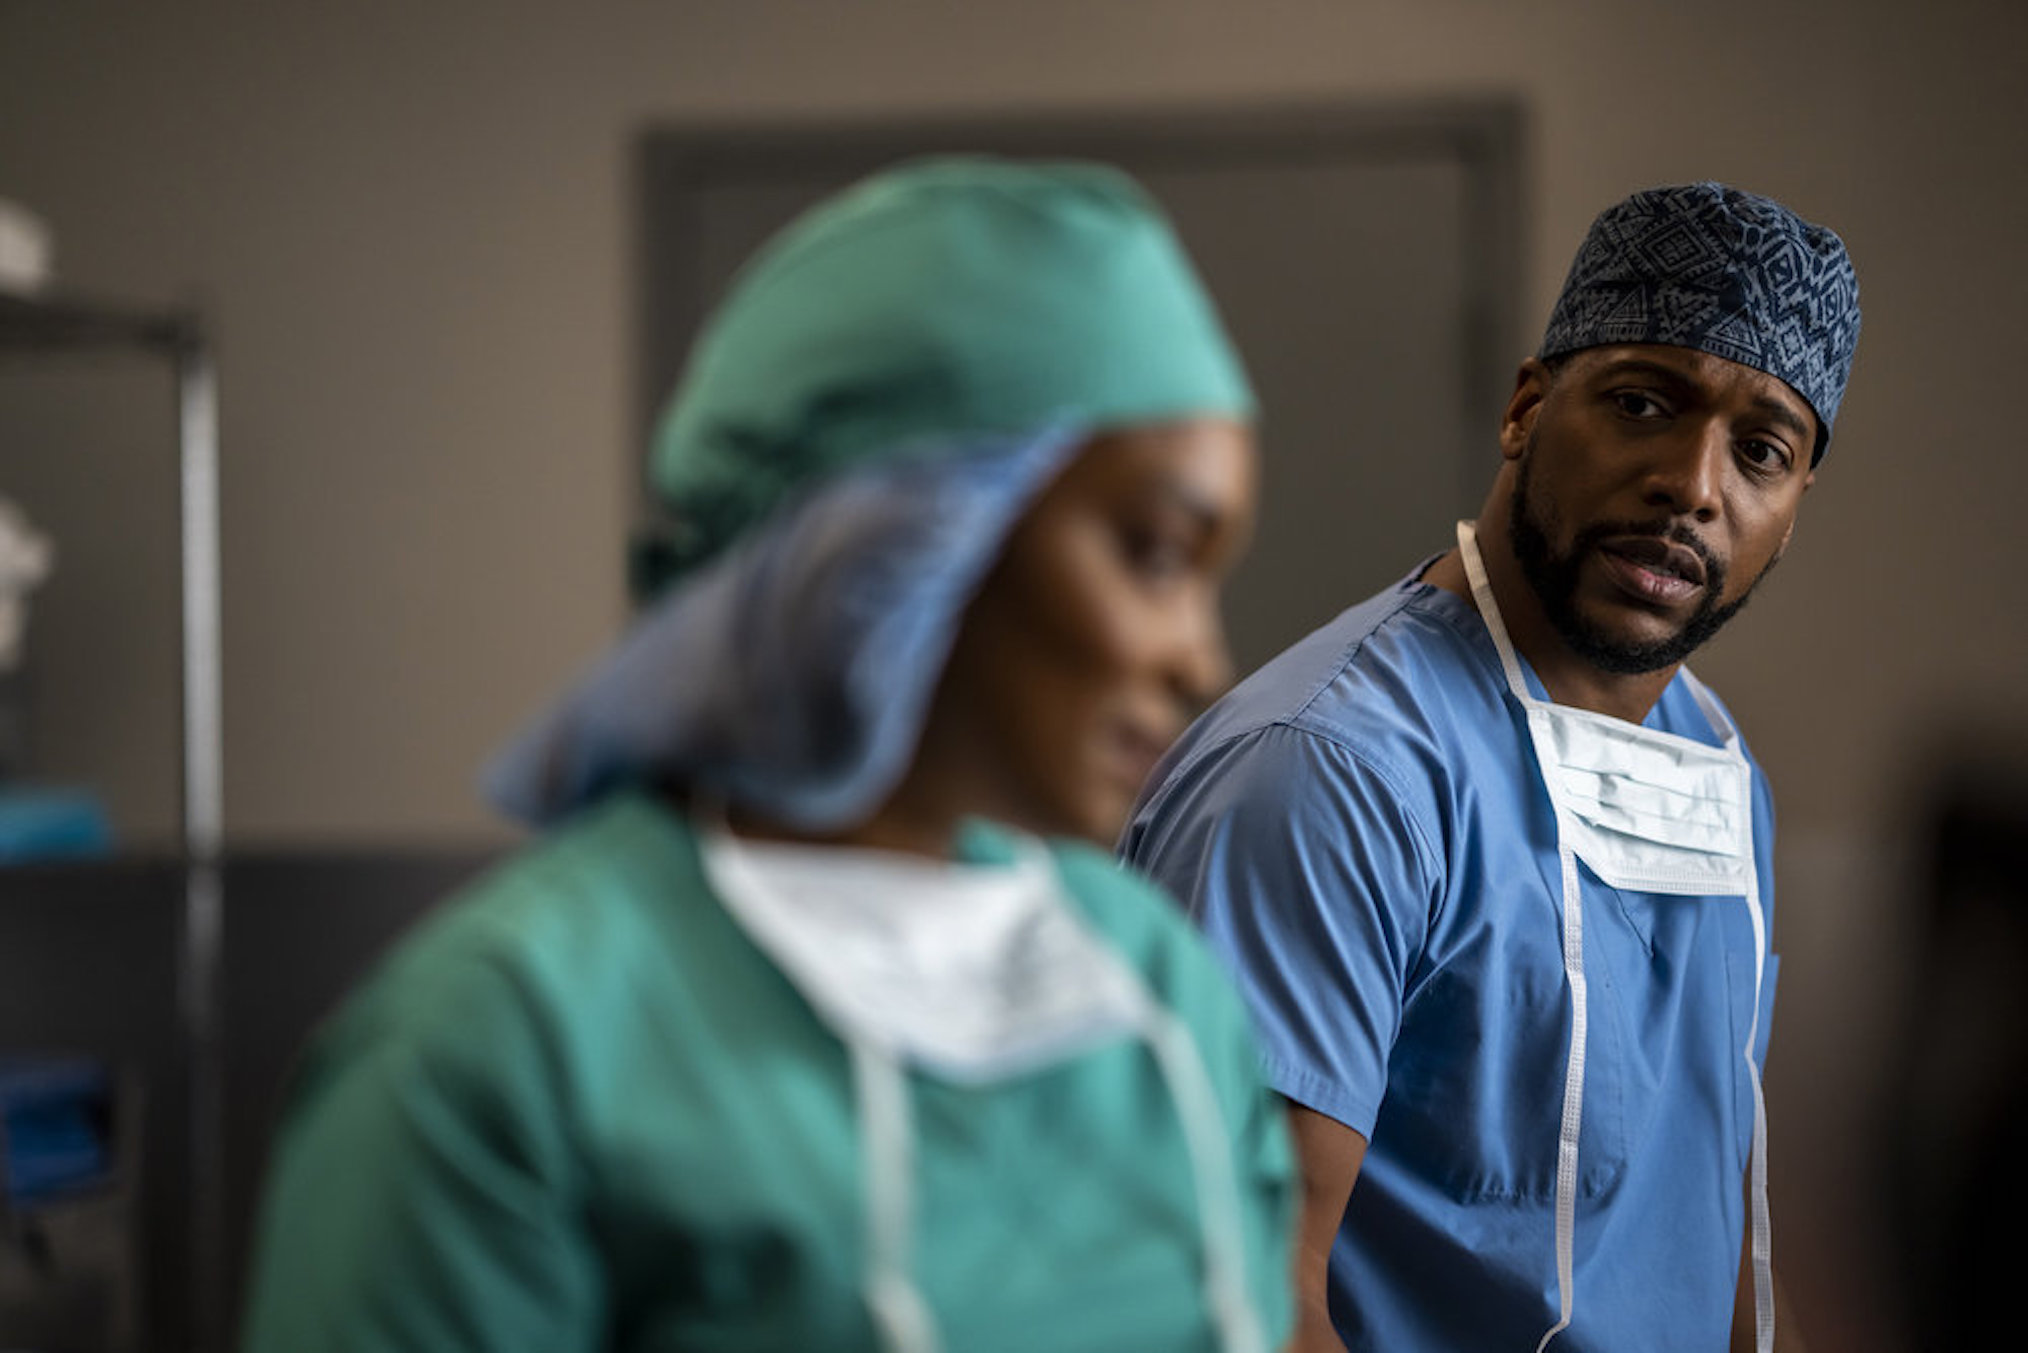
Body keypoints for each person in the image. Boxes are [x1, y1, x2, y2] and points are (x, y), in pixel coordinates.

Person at [238, 158, 1296, 1353]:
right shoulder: (502, 1051)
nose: (1203, 663)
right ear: (906, 534)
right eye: (1157, 555)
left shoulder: (1153, 979)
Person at [1123, 182, 1860, 1352]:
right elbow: (1237, 1293)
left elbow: (1705, 1222)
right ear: (1525, 407)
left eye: (1761, 450)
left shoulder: (1716, 769)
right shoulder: (1330, 773)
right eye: (1640, 403)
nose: (1694, 485)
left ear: (1796, 502)